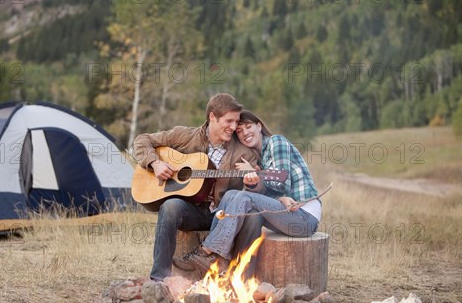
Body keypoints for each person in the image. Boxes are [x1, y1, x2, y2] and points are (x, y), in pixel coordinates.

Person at [173, 110, 321, 276]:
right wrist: (259, 184)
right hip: (284, 214)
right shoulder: (260, 158)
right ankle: (234, 269)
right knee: (231, 195)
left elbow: (282, 182)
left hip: (304, 217)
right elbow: (270, 196)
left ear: (259, 126)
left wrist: (256, 175)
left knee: (244, 197)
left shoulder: (276, 141)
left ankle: (208, 251)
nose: (245, 133)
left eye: (248, 126)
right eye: (239, 131)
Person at [132, 93, 259, 281]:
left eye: (236, 122)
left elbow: (249, 196)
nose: (234, 127)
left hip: (223, 216)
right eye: (229, 121)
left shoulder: (244, 153)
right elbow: (142, 140)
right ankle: (159, 279)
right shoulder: (185, 136)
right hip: (193, 211)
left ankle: (238, 280)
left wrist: (253, 183)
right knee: (170, 207)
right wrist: (155, 163)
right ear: (212, 117)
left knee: (252, 218)